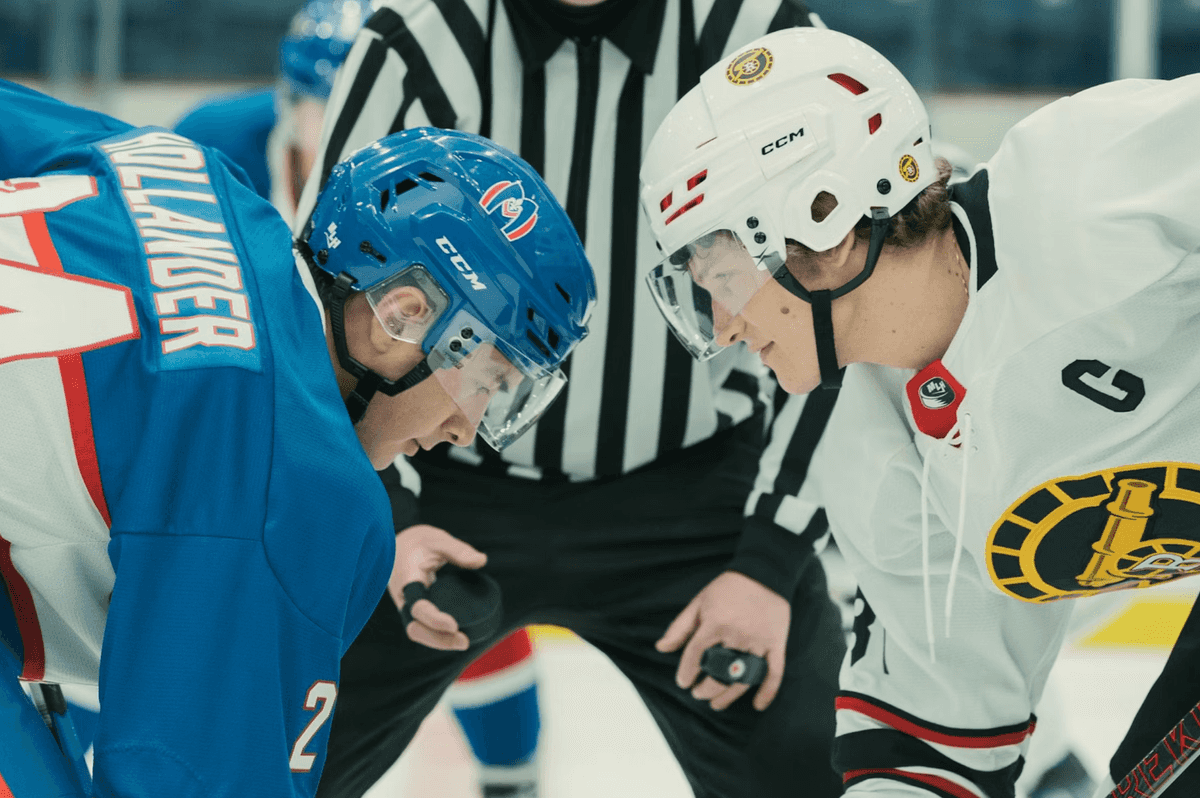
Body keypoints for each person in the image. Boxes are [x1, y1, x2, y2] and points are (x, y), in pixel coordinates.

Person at [294, 1, 849, 797]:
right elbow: (331, 296)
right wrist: (392, 520)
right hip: (437, 483)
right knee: (269, 756)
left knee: (816, 776)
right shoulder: (419, 39)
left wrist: (770, 561)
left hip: (700, 506)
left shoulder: (762, 38)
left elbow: (846, 313)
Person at [639, 25, 1200, 798]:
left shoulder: (1088, 183)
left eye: (723, 277)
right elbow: (939, 729)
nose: (725, 326)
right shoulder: (872, 436)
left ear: (825, 223)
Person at [0, 77, 594, 798]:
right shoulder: (302, 484)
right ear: (402, 315)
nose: (464, 428)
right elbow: (186, 778)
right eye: (488, 380)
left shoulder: (192, 171)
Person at [175, 2, 551, 790]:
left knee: (443, 575)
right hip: (246, 416)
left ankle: (512, 773)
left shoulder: (433, 200)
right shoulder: (213, 144)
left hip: (385, 406)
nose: (342, 127)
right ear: (287, 102)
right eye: (322, 105)